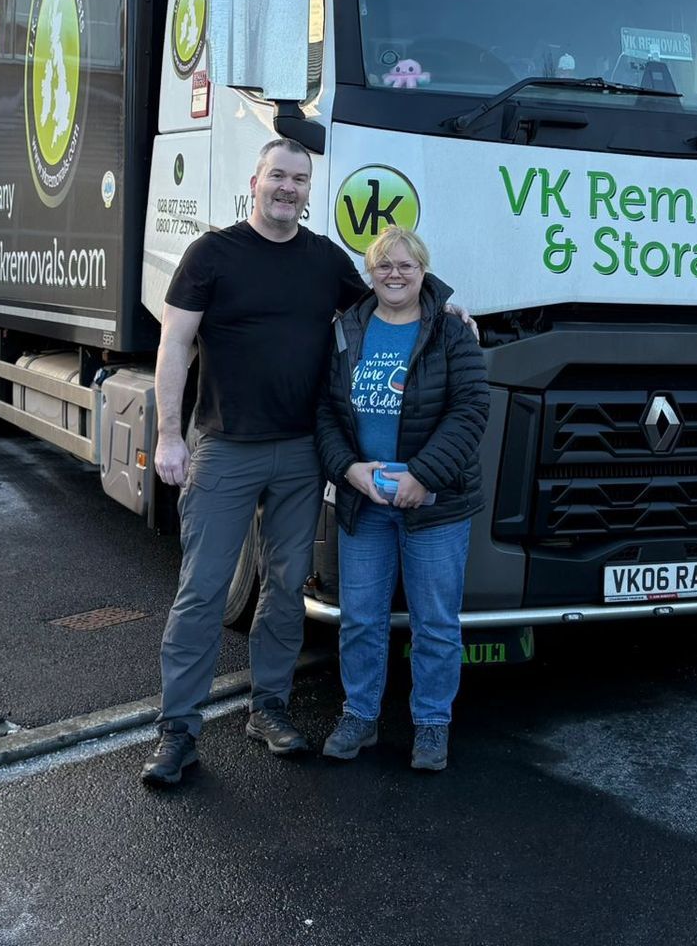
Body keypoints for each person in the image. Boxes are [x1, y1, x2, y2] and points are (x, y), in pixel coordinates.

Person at [140, 141, 472, 788]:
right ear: (255, 180)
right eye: (278, 177)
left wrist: (448, 307)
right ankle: (177, 731)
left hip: (300, 454)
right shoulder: (212, 254)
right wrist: (170, 436)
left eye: (299, 179)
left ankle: (269, 709)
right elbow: (174, 344)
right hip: (224, 446)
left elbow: (391, 295)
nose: (288, 188)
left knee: (286, 589)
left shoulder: (324, 261)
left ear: (307, 189)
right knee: (204, 591)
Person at [313, 225, 487, 772]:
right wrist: (348, 470)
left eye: (406, 266)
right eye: (384, 265)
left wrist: (424, 475)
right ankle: (360, 716)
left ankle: (432, 726)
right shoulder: (348, 329)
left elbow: (470, 411)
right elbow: (326, 412)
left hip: (434, 505)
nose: (394, 274)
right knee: (361, 618)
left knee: (436, 622)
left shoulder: (451, 333)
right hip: (365, 503)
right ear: (370, 272)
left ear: (422, 271)